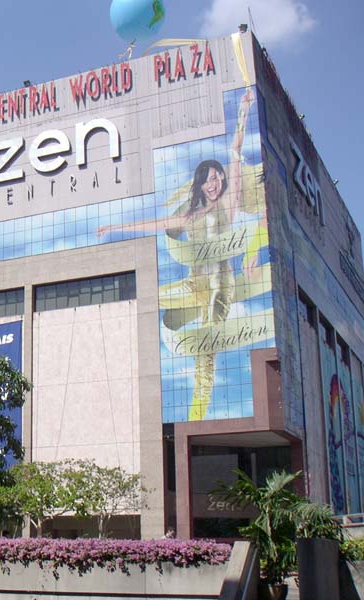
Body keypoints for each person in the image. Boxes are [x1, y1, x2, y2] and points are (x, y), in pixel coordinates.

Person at [98, 88, 256, 421]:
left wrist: (243, 112)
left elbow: (235, 150)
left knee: (205, 350)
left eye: (217, 178)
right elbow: (156, 224)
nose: (213, 184)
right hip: (193, 283)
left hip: (219, 287)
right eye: (208, 180)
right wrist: (116, 226)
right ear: (199, 184)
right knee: (147, 298)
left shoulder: (229, 204)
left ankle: (196, 417)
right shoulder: (190, 215)